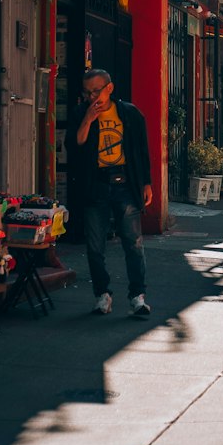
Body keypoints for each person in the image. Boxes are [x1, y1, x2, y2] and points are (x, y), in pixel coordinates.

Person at [66, 67, 153, 317]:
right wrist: (88, 120)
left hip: (126, 183)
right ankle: (102, 294)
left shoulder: (130, 113)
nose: (93, 97)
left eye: (97, 91)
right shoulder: (80, 113)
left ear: (110, 88)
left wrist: (146, 183)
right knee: (95, 245)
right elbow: (74, 145)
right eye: (88, 93)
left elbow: (142, 152)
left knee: (133, 243)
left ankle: (137, 296)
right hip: (96, 185)